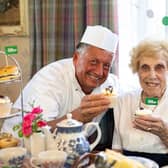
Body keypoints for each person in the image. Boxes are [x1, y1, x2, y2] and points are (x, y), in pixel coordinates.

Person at [2, 25, 120, 134]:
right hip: (20, 148)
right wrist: (79, 116)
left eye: (106, 66)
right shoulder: (51, 78)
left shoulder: (110, 84)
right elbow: (39, 131)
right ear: (76, 58)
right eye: (93, 62)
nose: (99, 72)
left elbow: (134, 96)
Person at [112, 39, 168, 167]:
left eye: (159, 68)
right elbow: (116, 150)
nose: (152, 75)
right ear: (137, 71)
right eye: (145, 68)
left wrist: (165, 133)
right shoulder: (124, 100)